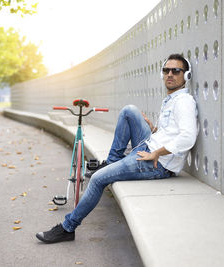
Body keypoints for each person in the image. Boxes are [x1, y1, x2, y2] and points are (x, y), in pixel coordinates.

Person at [36, 53, 198, 244]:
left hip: (157, 163)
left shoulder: (184, 101)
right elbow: (172, 133)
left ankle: (67, 228)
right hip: (150, 145)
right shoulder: (170, 99)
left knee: (97, 179)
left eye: (176, 71)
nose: (170, 74)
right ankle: (111, 162)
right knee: (129, 110)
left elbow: (188, 137)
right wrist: (154, 129)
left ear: (186, 76)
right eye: (166, 70)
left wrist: (156, 152)